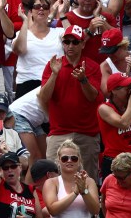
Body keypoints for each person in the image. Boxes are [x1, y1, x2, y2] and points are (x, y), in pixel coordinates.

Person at [39, 24, 102, 179]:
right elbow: (44, 97)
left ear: (83, 44)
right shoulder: (53, 65)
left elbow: (92, 96)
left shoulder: (92, 66)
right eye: (66, 42)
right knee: (54, 179)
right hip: (58, 132)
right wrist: (54, 74)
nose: (70, 46)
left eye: (75, 42)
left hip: (87, 133)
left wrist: (83, 80)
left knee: (88, 180)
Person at [0, 114, 41, 218]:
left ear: (19, 168)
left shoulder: (31, 191)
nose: (9, 170)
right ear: (0, 171)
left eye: (13, 166)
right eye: (5, 168)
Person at [42, 139, 100, 218]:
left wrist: (84, 191)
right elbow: (52, 210)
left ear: (79, 161)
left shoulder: (89, 182)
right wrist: (75, 193)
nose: (69, 161)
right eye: (65, 158)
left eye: (74, 158)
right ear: (59, 160)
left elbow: (95, 211)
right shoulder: (51, 182)